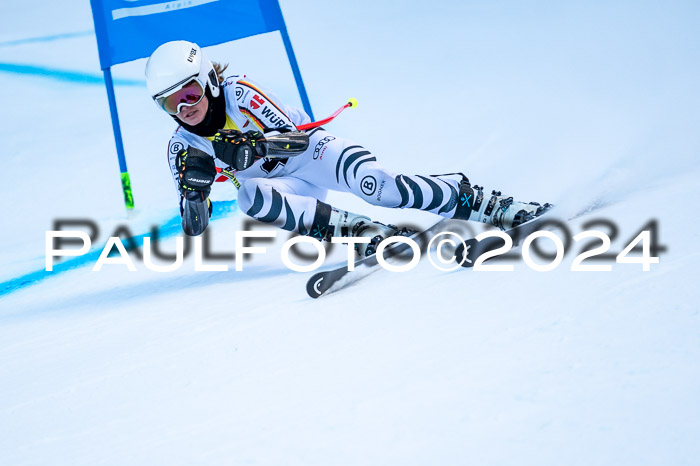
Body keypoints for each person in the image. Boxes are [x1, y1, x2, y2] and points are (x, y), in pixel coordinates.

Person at [145, 40, 548, 257]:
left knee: (380, 187)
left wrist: (253, 147)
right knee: (250, 197)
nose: (186, 107)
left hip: (314, 156)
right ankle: (365, 233)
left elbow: (297, 140)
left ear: (208, 81)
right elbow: (194, 228)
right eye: (170, 102)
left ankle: (482, 203)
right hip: (290, 192)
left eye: (191, 91)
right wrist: (193, 196)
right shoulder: (183, 144)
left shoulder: (239, 93)